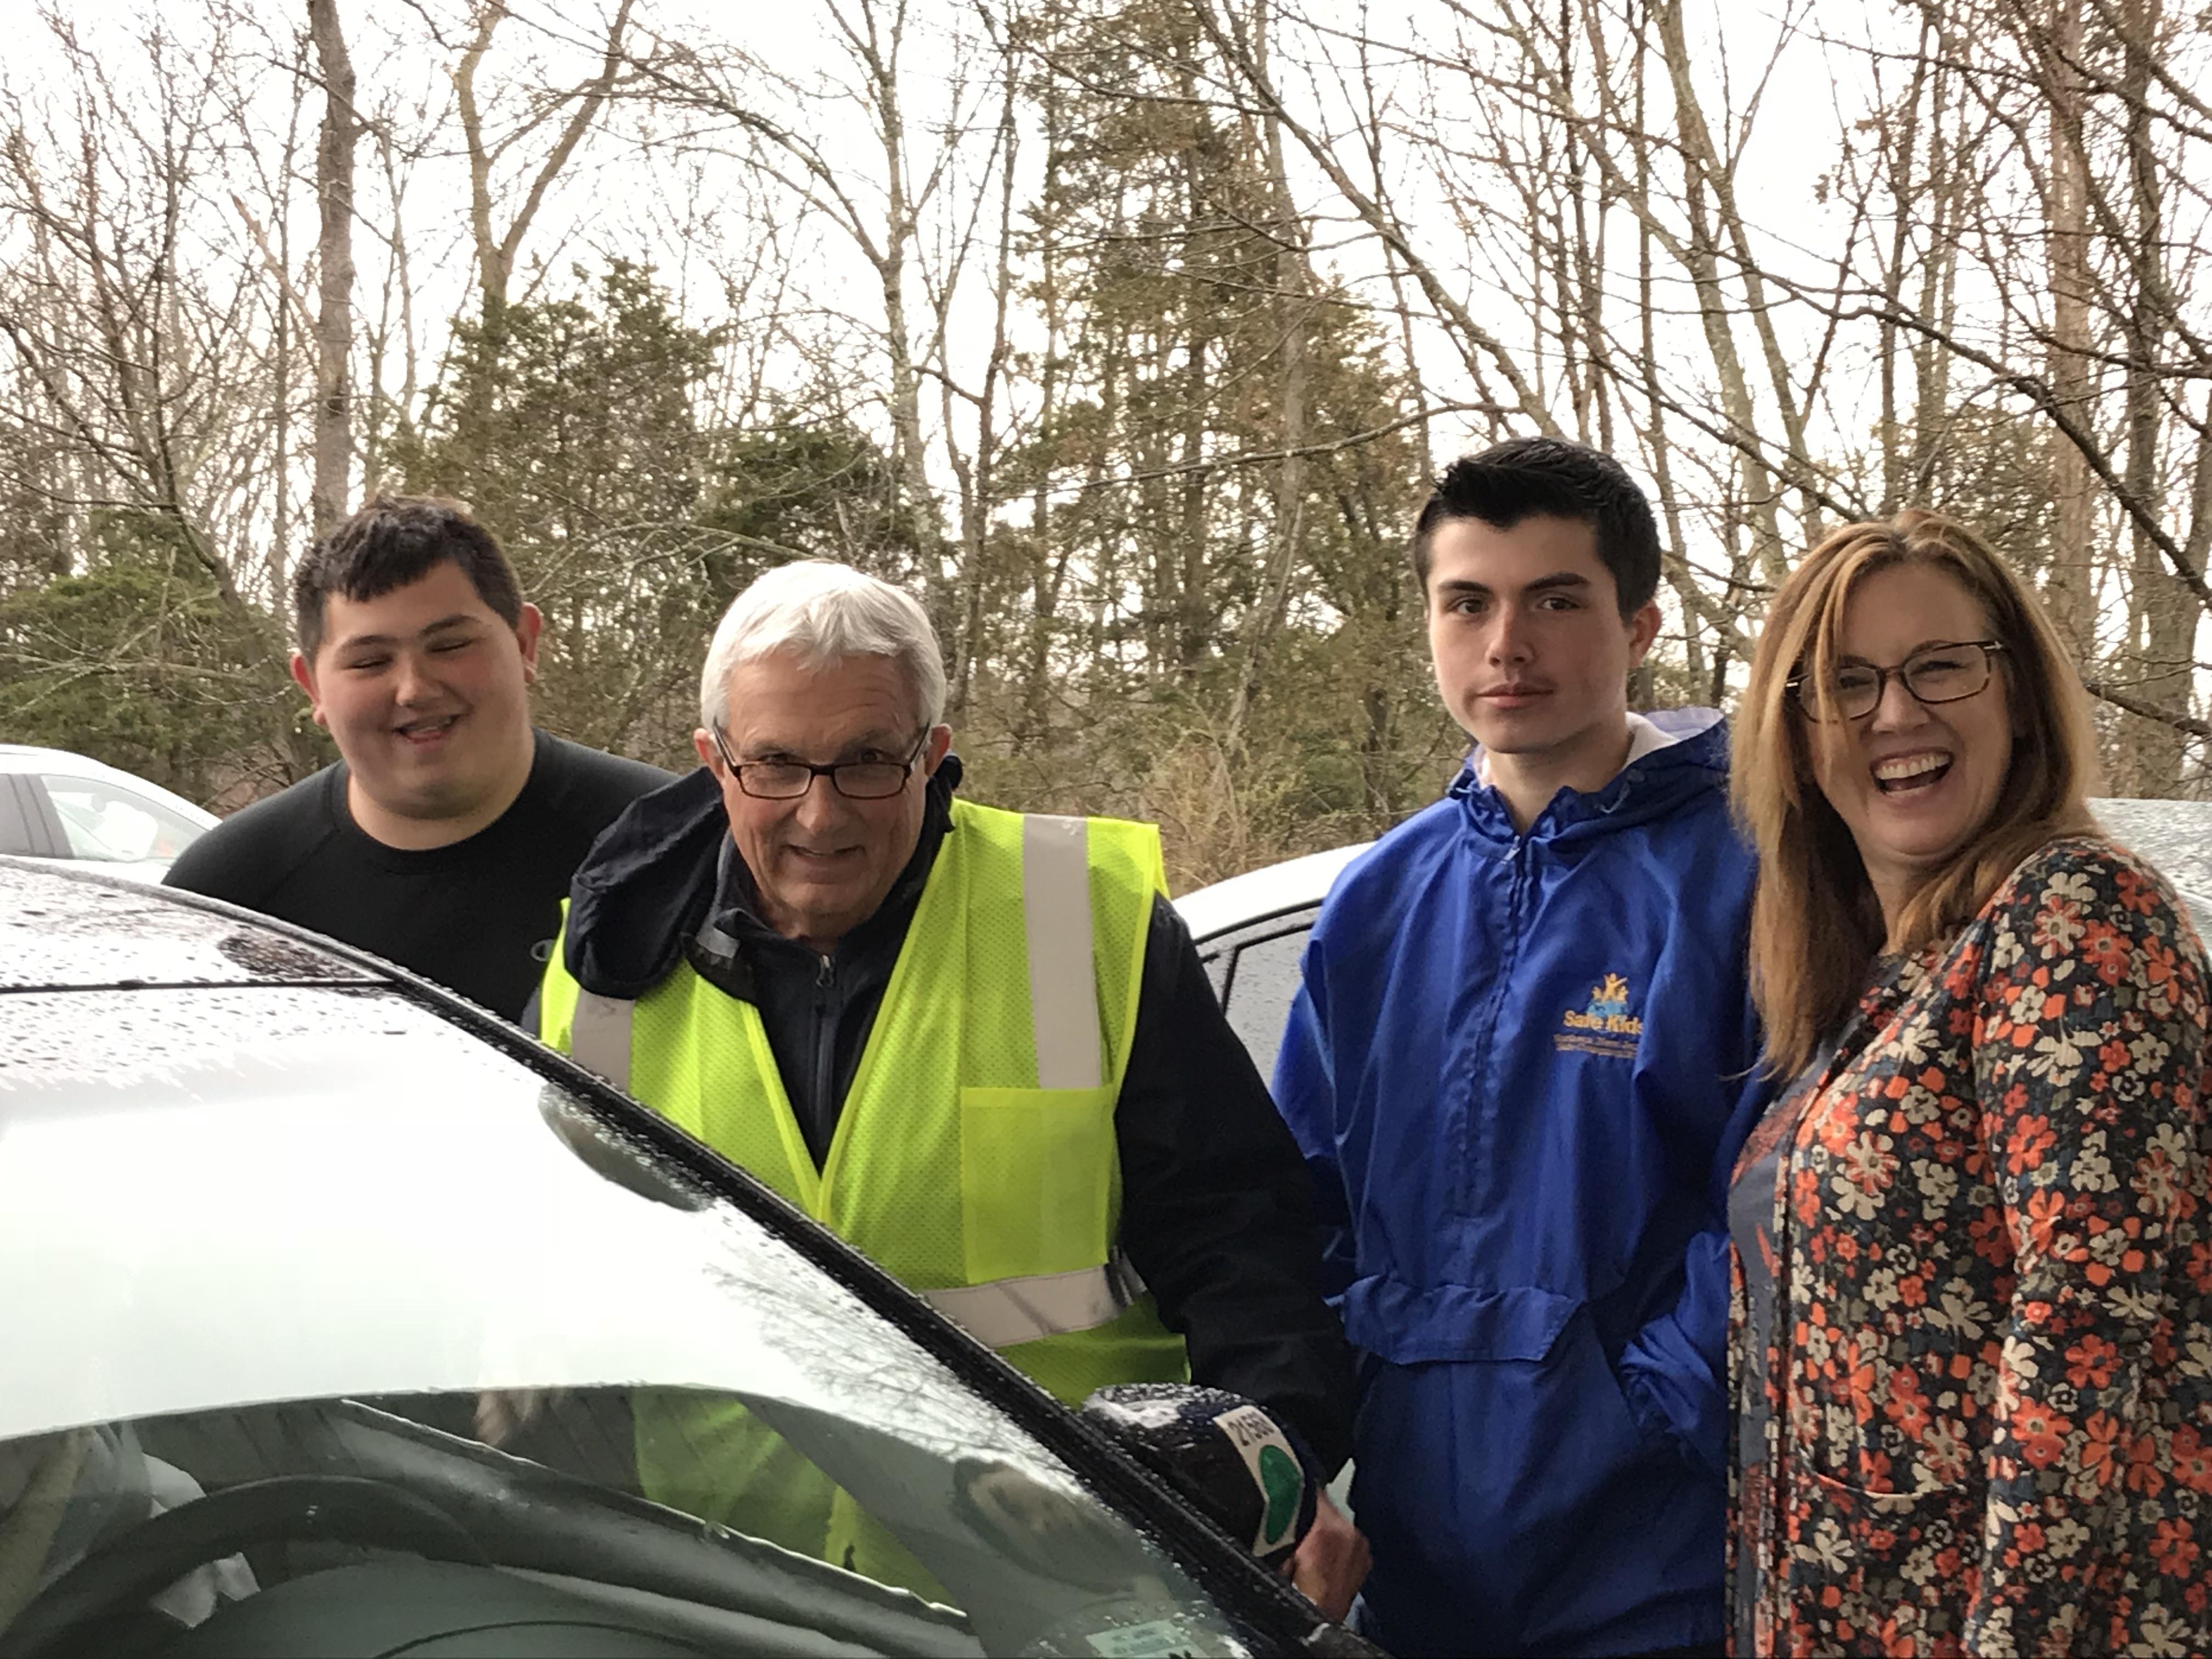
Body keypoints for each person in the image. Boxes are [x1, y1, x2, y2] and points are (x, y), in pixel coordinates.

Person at [534, 559, 1365, 1614]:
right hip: (725, 1588)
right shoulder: (599, 979)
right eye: (777, 764)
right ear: (715, 762)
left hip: (1063, 1583)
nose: (821, 814)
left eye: (869, 760)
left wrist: (1274, 1465)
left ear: (932, 754)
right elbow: (557, 1278)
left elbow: (1239, 1237)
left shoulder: (1082, 920)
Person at [1272, 438, 1768, 1656]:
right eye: (1469, 603)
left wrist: (1649, 1407)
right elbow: (1297, 1207)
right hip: (1412, 1571)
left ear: (1640, 624)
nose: (1509, 644)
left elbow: (1781, 1200)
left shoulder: (1750, 880)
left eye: (1557, 599)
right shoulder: (1378, 900)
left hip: (1656, 1575)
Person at [1727, 511, 2211, 1656]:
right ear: (1796, 736)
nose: (1898, 713)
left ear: (2016, 694)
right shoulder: (1884, 976)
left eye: (1941, 664)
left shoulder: (2075, 916)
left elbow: (2085, 1337)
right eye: (1846, 682)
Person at [165, 496, 671, 1020]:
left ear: (525, 643)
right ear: (311, 685)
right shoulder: (227, 897)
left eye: (450, 646)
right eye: (371, 661)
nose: (415, 690)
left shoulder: (677, 850)